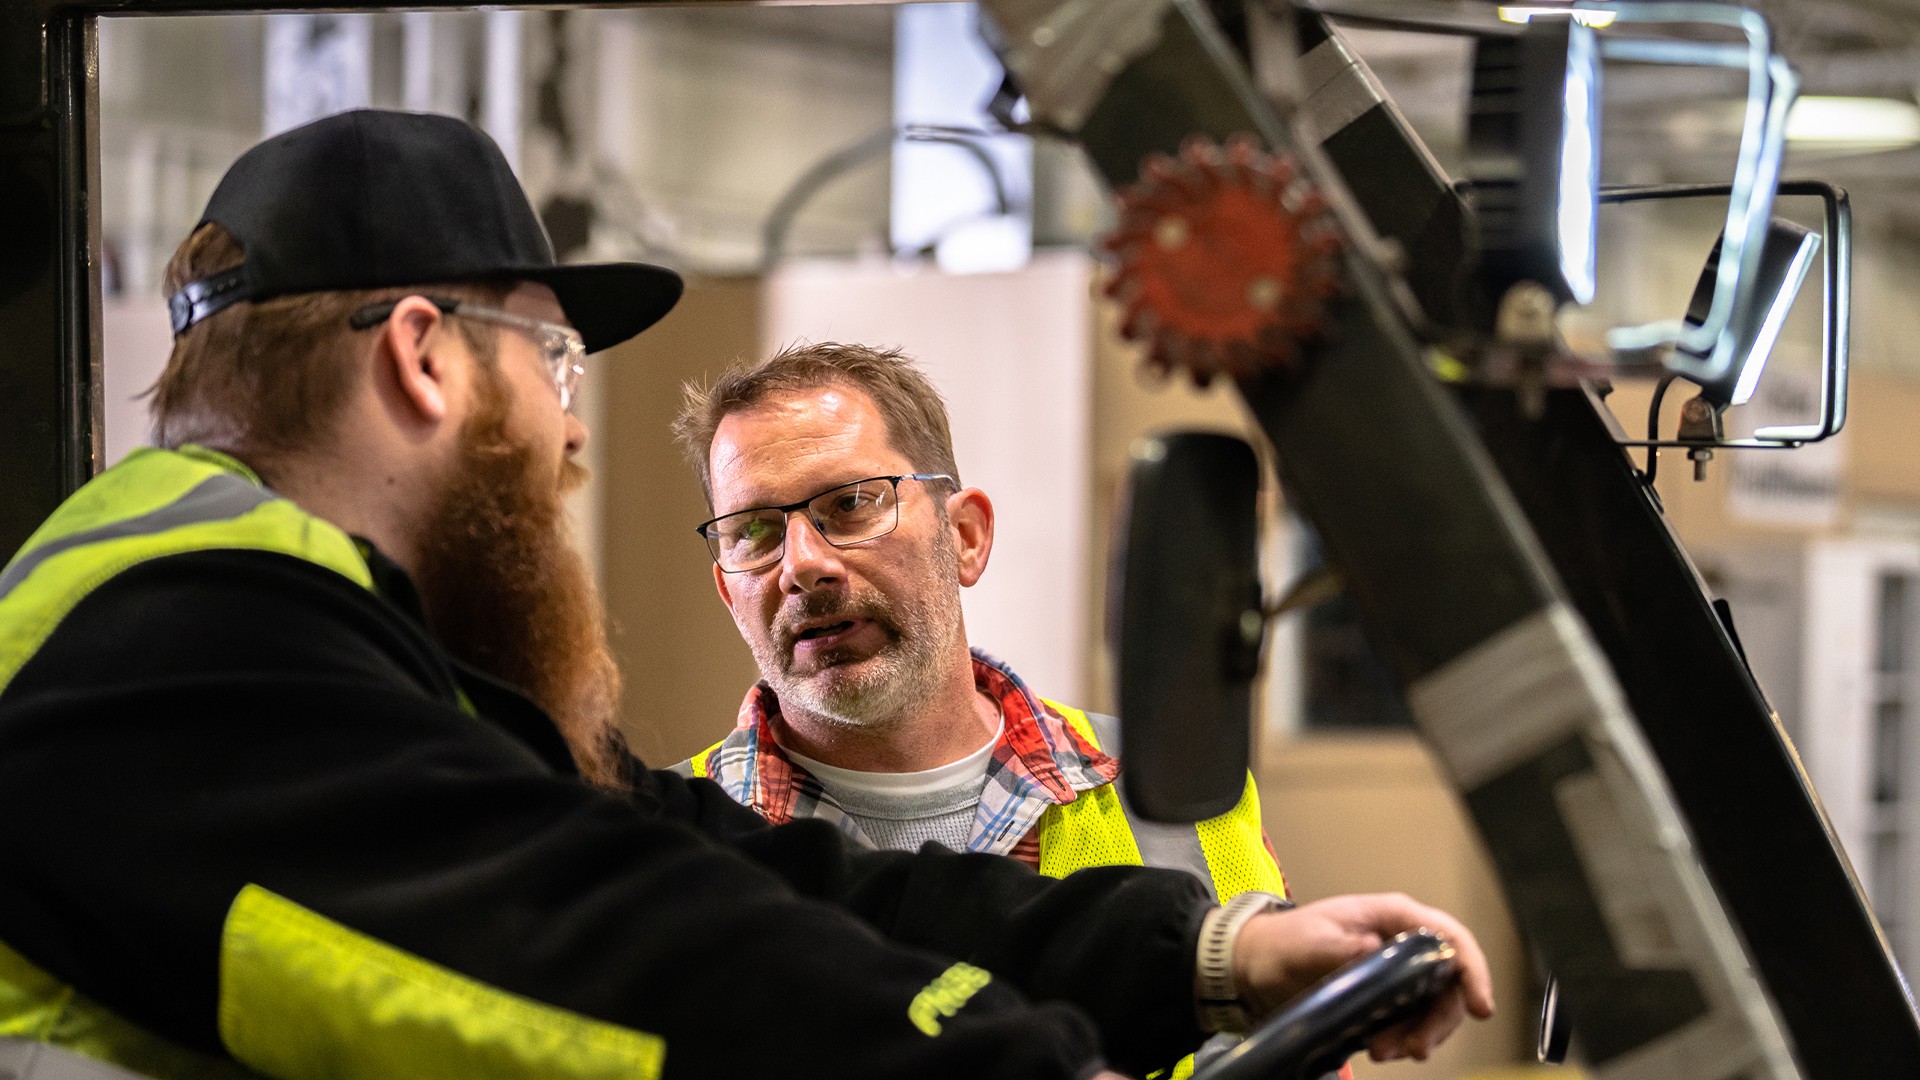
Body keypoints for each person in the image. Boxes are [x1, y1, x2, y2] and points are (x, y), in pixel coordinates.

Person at [0, 108, 1491, 1080]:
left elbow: (726, 874)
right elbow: (609, 953)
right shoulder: (175, 641)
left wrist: (1212, 954)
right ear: (424, 356)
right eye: (556, 361)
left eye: (851, 508)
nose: (570, 432)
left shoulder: (284, 633)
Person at [671, 343, 1285, 911]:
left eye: (851, 504)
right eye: (755, 531)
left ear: (965, 537)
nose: (802, 565)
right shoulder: (660, 841)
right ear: (728, 590)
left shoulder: (1177, 785)